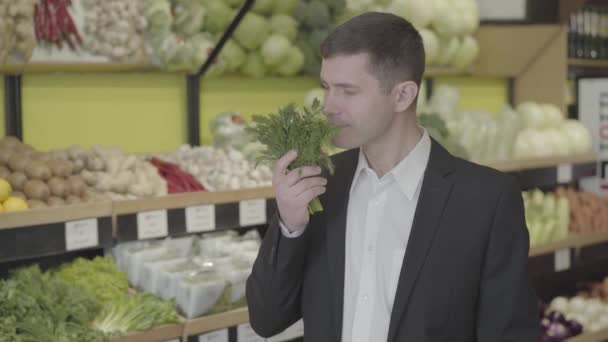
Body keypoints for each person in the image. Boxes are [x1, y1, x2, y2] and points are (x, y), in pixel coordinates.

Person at [246, 12, 539, 342]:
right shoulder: (319, 185)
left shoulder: (487, 200)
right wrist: (290, 226)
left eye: (348, 91)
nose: (328, 106)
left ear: (403, 95)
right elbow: (266, 319)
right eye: (327, 87)